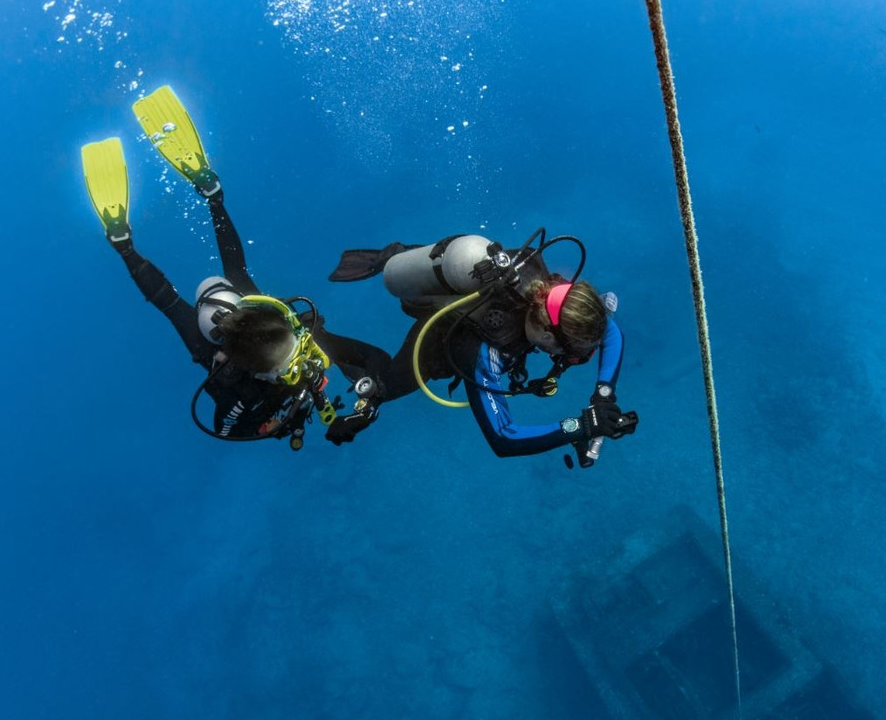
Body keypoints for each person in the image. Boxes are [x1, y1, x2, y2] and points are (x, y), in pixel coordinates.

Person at [81, 86, 388, 449]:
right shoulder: (233, 385)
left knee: (226, 281)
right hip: (228, 334)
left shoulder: (297, 338)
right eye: (287, 367)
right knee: (201, 296)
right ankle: (205, 202)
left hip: (241, 309)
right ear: (252, 371)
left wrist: (367, 406)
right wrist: (272, 422)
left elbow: (373, 360)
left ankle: (204, 201)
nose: (300, 364)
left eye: (295, 351)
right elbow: (228, 428)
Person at [327, 230, 639, 464]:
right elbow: (504, 438)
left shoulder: (558, 296)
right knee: (383, 387)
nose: (573, 357)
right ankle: (320, 337)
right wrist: (579, 427)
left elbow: (610, 332)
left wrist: (603, 394)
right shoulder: (482, 353)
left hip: (465, 282)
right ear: (546, 332)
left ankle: (400, 254)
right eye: (568, 348)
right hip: (438, 339)